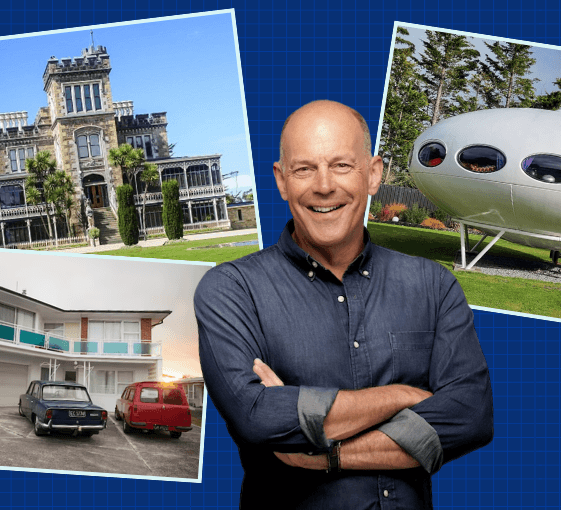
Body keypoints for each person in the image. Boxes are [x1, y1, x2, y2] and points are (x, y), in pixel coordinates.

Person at [194, 100, 493, 509]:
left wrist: (325, 454)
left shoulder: (434, 286)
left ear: (372, 174)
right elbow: (257, 417)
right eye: (304, 169)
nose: (323, 186)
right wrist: (405, 396)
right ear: (281, 181)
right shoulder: (231, 290)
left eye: (341, 166)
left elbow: (470, 416)